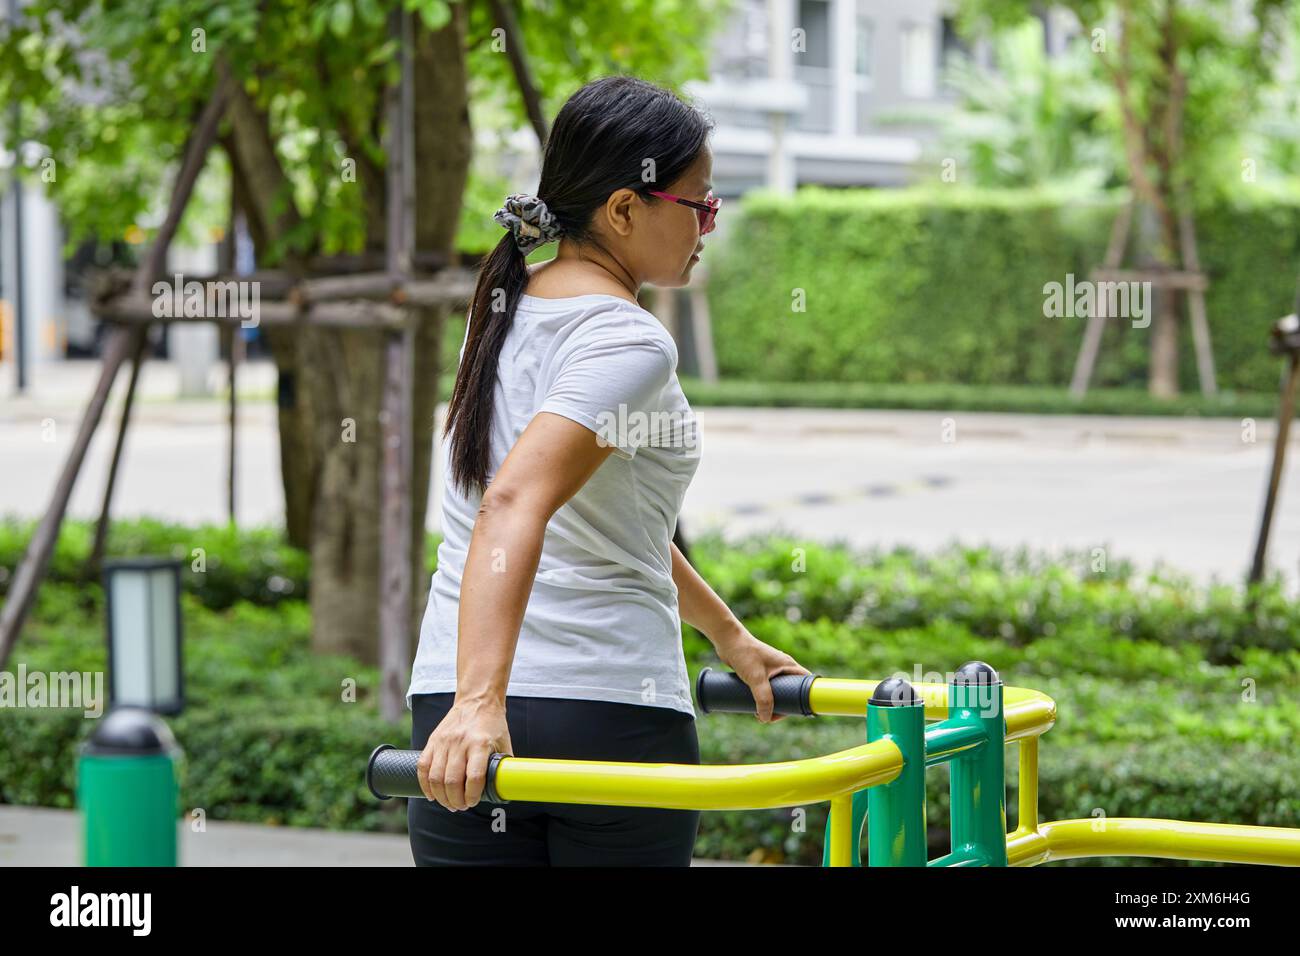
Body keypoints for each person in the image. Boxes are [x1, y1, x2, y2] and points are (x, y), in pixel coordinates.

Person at [405, 74, 809, 866]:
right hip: (604, 712)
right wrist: (484, 699)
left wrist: (727, 635)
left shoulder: (502, 311)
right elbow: (515, 501)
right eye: (702, 205)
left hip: (451, 713)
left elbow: (607, 523)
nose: (710, 225)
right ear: (625, 209)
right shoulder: (628, 338)